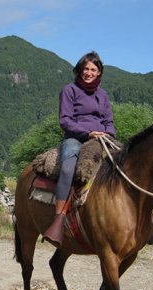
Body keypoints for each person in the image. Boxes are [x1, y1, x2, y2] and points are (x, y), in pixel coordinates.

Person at [43, 51, 115, 248]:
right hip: (76, 138)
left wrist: (107, 134)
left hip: (102, 139)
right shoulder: (69, 90)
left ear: (99, 72)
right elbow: (65, 120)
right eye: (86, 69)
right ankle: (58, 220)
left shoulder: (103, 95)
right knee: (67, 169)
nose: (89, 72)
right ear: (80, 70)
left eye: (93, 69)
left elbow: (109, 121)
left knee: (130, 163)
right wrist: (89, 132)